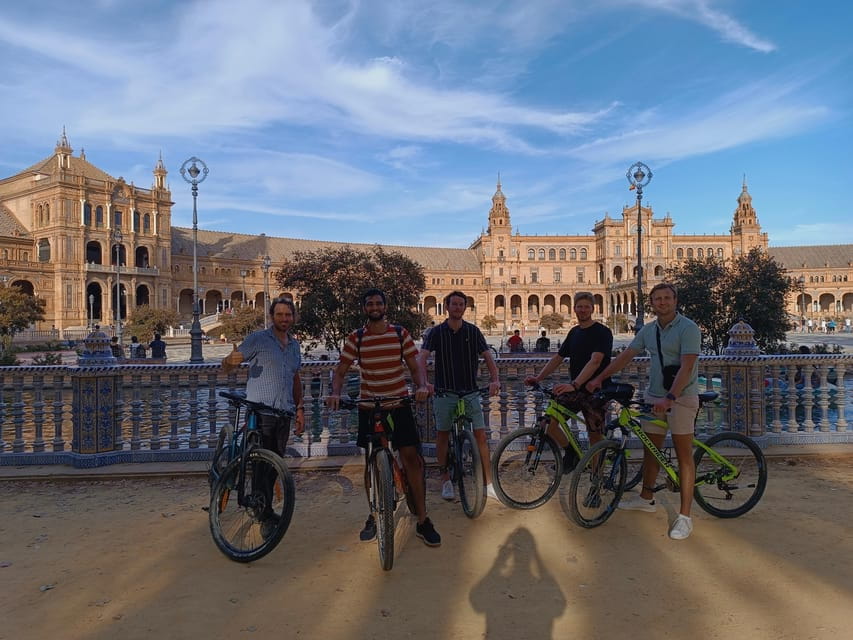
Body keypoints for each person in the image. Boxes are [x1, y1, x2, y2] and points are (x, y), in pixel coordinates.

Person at [326, 288, 440, 547]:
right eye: (369, 304)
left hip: (398, 403)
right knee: (371, 462)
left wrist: (421, 385)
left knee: (411, 458)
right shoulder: (356, 338)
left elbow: (414, 367)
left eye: (378, 303)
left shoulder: (400, 334)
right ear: (364, 308)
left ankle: (423, 520)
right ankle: (374, 513)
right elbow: (341, 370)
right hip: (369, 405)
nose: (374, 307)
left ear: (385, 306)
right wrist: (335, 392)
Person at [588, 283, 701, 541]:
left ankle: (685, 517)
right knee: (652, 449)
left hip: (681, 397)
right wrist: (600, 378)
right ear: (651, 303)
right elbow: (626, 356)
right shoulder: (649, 331)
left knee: (685, 456)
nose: (662, 303)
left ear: (675, 300)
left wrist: (671, 397)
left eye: (667, 298)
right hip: (654, 396)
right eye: (657, 299)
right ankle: (646, 498)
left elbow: (687, 366)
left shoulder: (689, 328)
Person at [417, 290, 501, 503]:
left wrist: (495, 379)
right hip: (445, 391)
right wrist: (425, 383)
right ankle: (445, 478)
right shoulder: (435, 333)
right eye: (453, 304)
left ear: (465, 307)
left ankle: (488, 483)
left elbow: (488, 357)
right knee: (442, 435)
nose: (457, 307)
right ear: (447, 307)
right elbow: (422, 358)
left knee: (481, 435)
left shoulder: (473, 332)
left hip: (470, 390)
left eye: (460, 304)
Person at [525, 292, 613, 469]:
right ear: (574, 309)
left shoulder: (603, 332)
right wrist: (538, 377)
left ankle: (597, 481)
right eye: (579, 306)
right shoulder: (574, 332)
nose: (582, 310)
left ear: (593, 309)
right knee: (549, 423)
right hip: (576, 389)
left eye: (586, 306)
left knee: (594, 435)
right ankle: (572, 453)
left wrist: (575, 384)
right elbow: (558, 358)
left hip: (596, 390)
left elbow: (595, 361)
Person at [221, 297, 304, 457]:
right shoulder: (258, 339)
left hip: (284, 414)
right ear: (272, 316)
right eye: (279, 314)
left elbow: (295, 377)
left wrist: (299, 409)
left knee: (275, 465)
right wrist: (230, 361)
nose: (284, 318)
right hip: (260, 414)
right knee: (259, 466)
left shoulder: (295, 346)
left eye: (288, 314)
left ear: (293, 317)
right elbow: (226, 366)